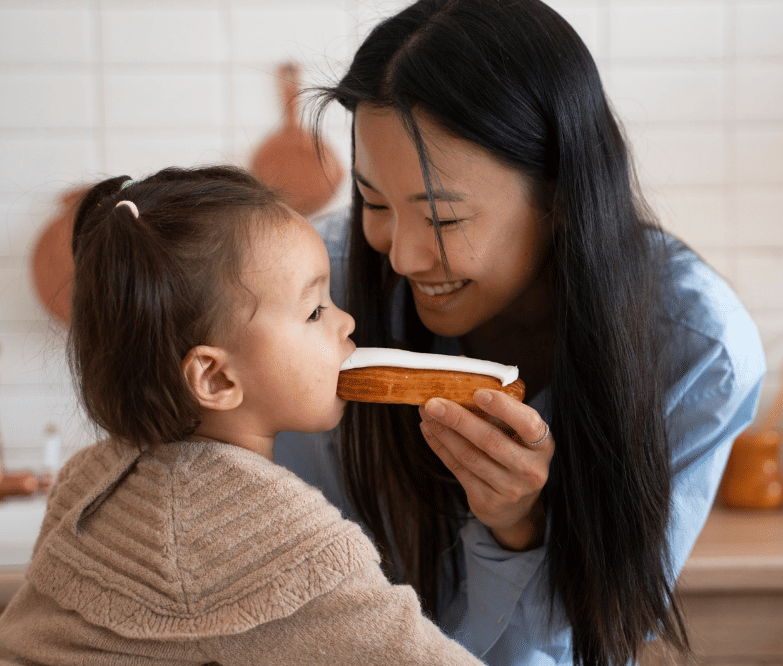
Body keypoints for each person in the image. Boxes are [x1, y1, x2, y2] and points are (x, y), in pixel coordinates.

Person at [274, 1, 767, 664]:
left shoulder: (699, 351)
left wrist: (517, 528)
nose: (403, 257)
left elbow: (601, 632)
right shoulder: (315, 292)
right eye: (375, 202)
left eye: (442, 219)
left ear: (559, 195)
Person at [0, 165, 486, 666]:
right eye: (314, 311)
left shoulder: (87, 474)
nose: (346, 322)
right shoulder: (276, 543)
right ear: (216, 379)